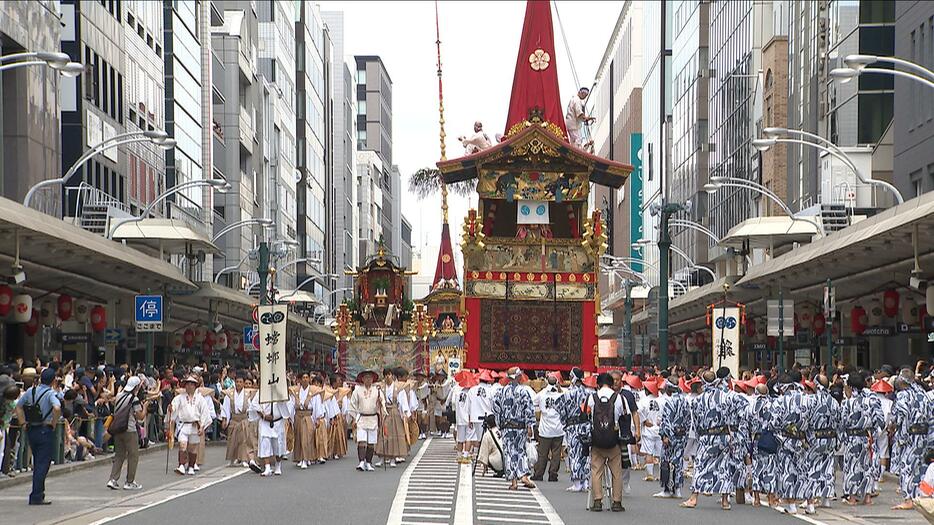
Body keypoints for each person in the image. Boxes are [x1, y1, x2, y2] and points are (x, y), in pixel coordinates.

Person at [680, 368, 745, 511]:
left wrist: (699, 436)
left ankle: (694, 497)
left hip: (706, 436)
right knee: (724, 467)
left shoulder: (697, 400)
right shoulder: (728, 396)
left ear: (703, 383)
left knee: (701, 466)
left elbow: (695, 423)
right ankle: (725, 501)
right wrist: (734, 426)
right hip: (724, 435)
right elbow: (744, 406)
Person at [14, 367, 60, 505]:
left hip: (31, 429)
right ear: (53, 381)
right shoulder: (51, 393)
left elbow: (19, 406)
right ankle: (37, 495)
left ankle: (38, 493)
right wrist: (53, 422)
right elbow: (57, 408)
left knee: (37, 461)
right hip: (45, 429)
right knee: (42, 464)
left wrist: (23, 423)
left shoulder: (30, 391)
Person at [890, 371, 934, 510]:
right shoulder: (923, 393)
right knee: (919, 467)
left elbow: (899, 414)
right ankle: (918, 497)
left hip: (910, 435)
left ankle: (908, 499)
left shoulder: (904, 394)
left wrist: (893, 425)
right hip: (924, 435)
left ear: (903, 381)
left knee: (907, 467)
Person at [840, 372, 885, 505]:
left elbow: (841, 423)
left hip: (853, 437)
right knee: (867, 467)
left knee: (852, 467)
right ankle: (867, 497)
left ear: (850, 386)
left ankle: (852, 497)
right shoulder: (871, 400)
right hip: (867, 437)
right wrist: (873, 433)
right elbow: (880, 420)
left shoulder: (847, 403)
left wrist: (843, 438)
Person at [771, 371, 811, 514]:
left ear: (782, 387)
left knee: (787, 470)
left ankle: (791, 503)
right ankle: (807, 501)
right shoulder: (806, 399)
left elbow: (773, 422)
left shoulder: (780, 401)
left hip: (785, 439)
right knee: (802, 470)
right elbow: (811, 420)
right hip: (801, 439)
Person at [586, 372, 626, 512]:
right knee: (616, 472)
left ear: (598, 384)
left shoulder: (592, 397)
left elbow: (586, 415)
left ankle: (597, 501)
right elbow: (623, 415)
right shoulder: (618, 397)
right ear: (611, 383)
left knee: (596, 471)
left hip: (597, 439)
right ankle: (617, 502)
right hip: (613, 439)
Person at [492, 367, 536, 491]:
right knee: (521, 451)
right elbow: (529, 409)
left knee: (509, 453)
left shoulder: (501, 392)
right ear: (518, 377)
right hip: (520, 426)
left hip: (507, 427)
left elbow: (496, 409)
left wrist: (499, 424)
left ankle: (513, 481)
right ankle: (524, 475)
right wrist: (529, 425)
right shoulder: (523, 391)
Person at [106, 376, 147, 490]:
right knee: (133, 455)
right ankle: (130, 481)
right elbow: (140, 417)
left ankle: (113, 479)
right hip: (130, 430)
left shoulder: (119, 396)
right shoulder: (134, 399)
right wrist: (145, 407)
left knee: (119, 455)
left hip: (118, 429)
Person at [806, 374, 840, 510]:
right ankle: (826, 499)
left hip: (815, 437)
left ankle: (811, 500)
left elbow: (806, 420)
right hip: (830, 438)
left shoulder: (811, 400)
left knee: (812, 467)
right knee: (827, 467)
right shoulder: (834, 402)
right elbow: (839, 421)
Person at [555, 367, 592, 493]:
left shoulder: (567, 394)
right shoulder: (589, 393)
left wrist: (565, 422)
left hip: (572, 427)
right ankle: (586, 482)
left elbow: (559, 409)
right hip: (586, 425)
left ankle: (577, 482)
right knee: (586, 454)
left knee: (575, 454)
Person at [167, 376, 213, 475]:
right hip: (183, 425)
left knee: (193, 447)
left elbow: (205, 413)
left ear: (195, 386)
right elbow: (174, 407)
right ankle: (181, 465)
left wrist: (202, 426)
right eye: (187, 384)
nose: (189, 386)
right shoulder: (179, 398)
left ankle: (191, 466)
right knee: (182, 444)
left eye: (192, 384)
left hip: (194, 425)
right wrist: (171, 408)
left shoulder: (200, 399)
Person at [657, 378, 690, 499]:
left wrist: (665, 435)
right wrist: (685, 436)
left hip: (670, 435)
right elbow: (688, 420)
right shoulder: (685, 401)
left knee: (665, 461)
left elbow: (666, 421)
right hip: (681, 435)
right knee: (678, 462)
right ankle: (677, 489)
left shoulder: (669, 402)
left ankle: (666, 489)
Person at [220, 372, 260, 472]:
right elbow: (226, 408)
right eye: (237, 382)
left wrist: (251, 419)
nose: (238, 384)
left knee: (244, 440)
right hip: (234, 419)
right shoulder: (229, 394)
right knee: (232, 440)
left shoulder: (248, 394)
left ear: (243, 383)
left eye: (241, 382)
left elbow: (251, 407)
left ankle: (244, 459)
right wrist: (225, 419)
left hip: (244, 419)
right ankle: (233, 459)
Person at [250, 392, 293, 477]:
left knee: (278, 445)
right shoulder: (261, 391)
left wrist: (281, 398)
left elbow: (288, 407)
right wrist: (263, 415)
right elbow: (254, 404)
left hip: (277, 422)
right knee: (264, 443)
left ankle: (278, 465)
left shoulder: (281, 391)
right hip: (265, 422)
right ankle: (267, 467)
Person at [349, 370, 385, 472]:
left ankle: (368, 462)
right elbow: (352, 405)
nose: (368, 379)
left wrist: (380, 403)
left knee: (371, 442)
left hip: (372, 418)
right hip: (362, 418)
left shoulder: (377, 391)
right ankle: (361, 462)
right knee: (362, 441)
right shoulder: (357, 391)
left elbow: (382, 404)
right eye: (366, 377)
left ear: (373, 379)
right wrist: (353, 419)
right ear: (363, 379)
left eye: (370, 377)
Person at [531, 371, 564, 482]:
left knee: (542, 453)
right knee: (556, 453)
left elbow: (532, 403)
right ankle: (553, 474)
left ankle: (539, 473)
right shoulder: (561, 394)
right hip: (558, 428)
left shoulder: (542, 394)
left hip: (545, 429)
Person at [290, 372, 320, 469]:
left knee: (307, 438)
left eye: (307, 377)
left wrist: (317, 418)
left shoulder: (314, 391)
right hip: (298, 415)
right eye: (303, 377)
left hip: (308, 416)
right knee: (298, 437)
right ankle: (300, 458)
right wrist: (291, 418)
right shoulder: (295, 391)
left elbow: (316, 405)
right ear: (300, 379)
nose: (305, 379)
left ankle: (305, 459)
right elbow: (291, 405)